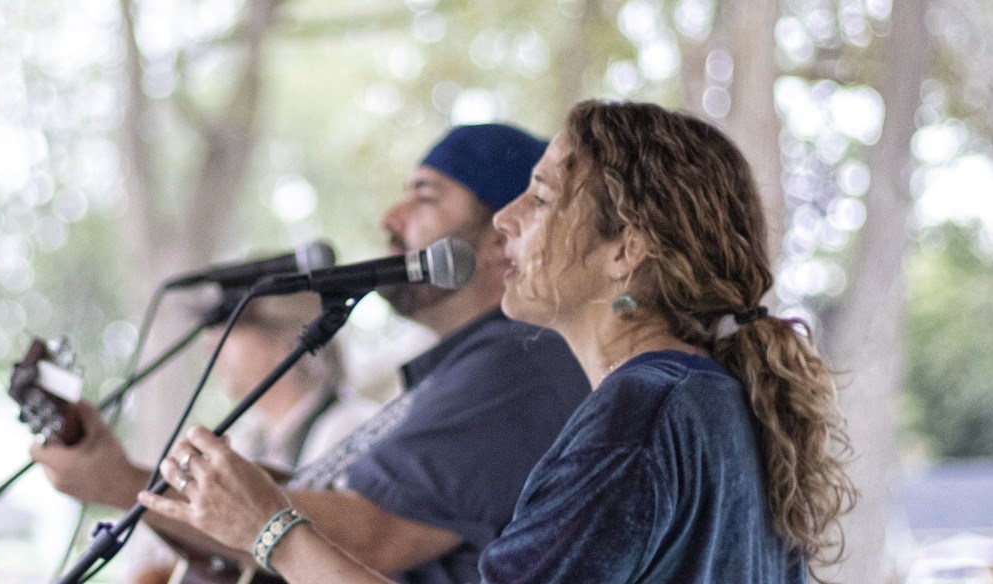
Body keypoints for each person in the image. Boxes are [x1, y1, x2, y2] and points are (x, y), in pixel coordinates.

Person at [140, 100, 858, 583]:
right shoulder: (696, 399)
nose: (508, 219)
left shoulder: (638, 416)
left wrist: (271, 530)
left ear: (626, 250)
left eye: (542, 198)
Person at [33, 124, 591, 583]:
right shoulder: (461, 368)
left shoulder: (515, 364)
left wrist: (121, 482)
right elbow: (304, 507)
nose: (390, 218)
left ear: (503, 235)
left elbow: (369, 535)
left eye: (424, 196)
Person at [126, 294, 381, 584]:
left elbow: (367, 546)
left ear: (285, 343)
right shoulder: (245, 441)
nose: (211, 346)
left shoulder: (352, 426)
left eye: (230, 329)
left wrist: (119, 480)